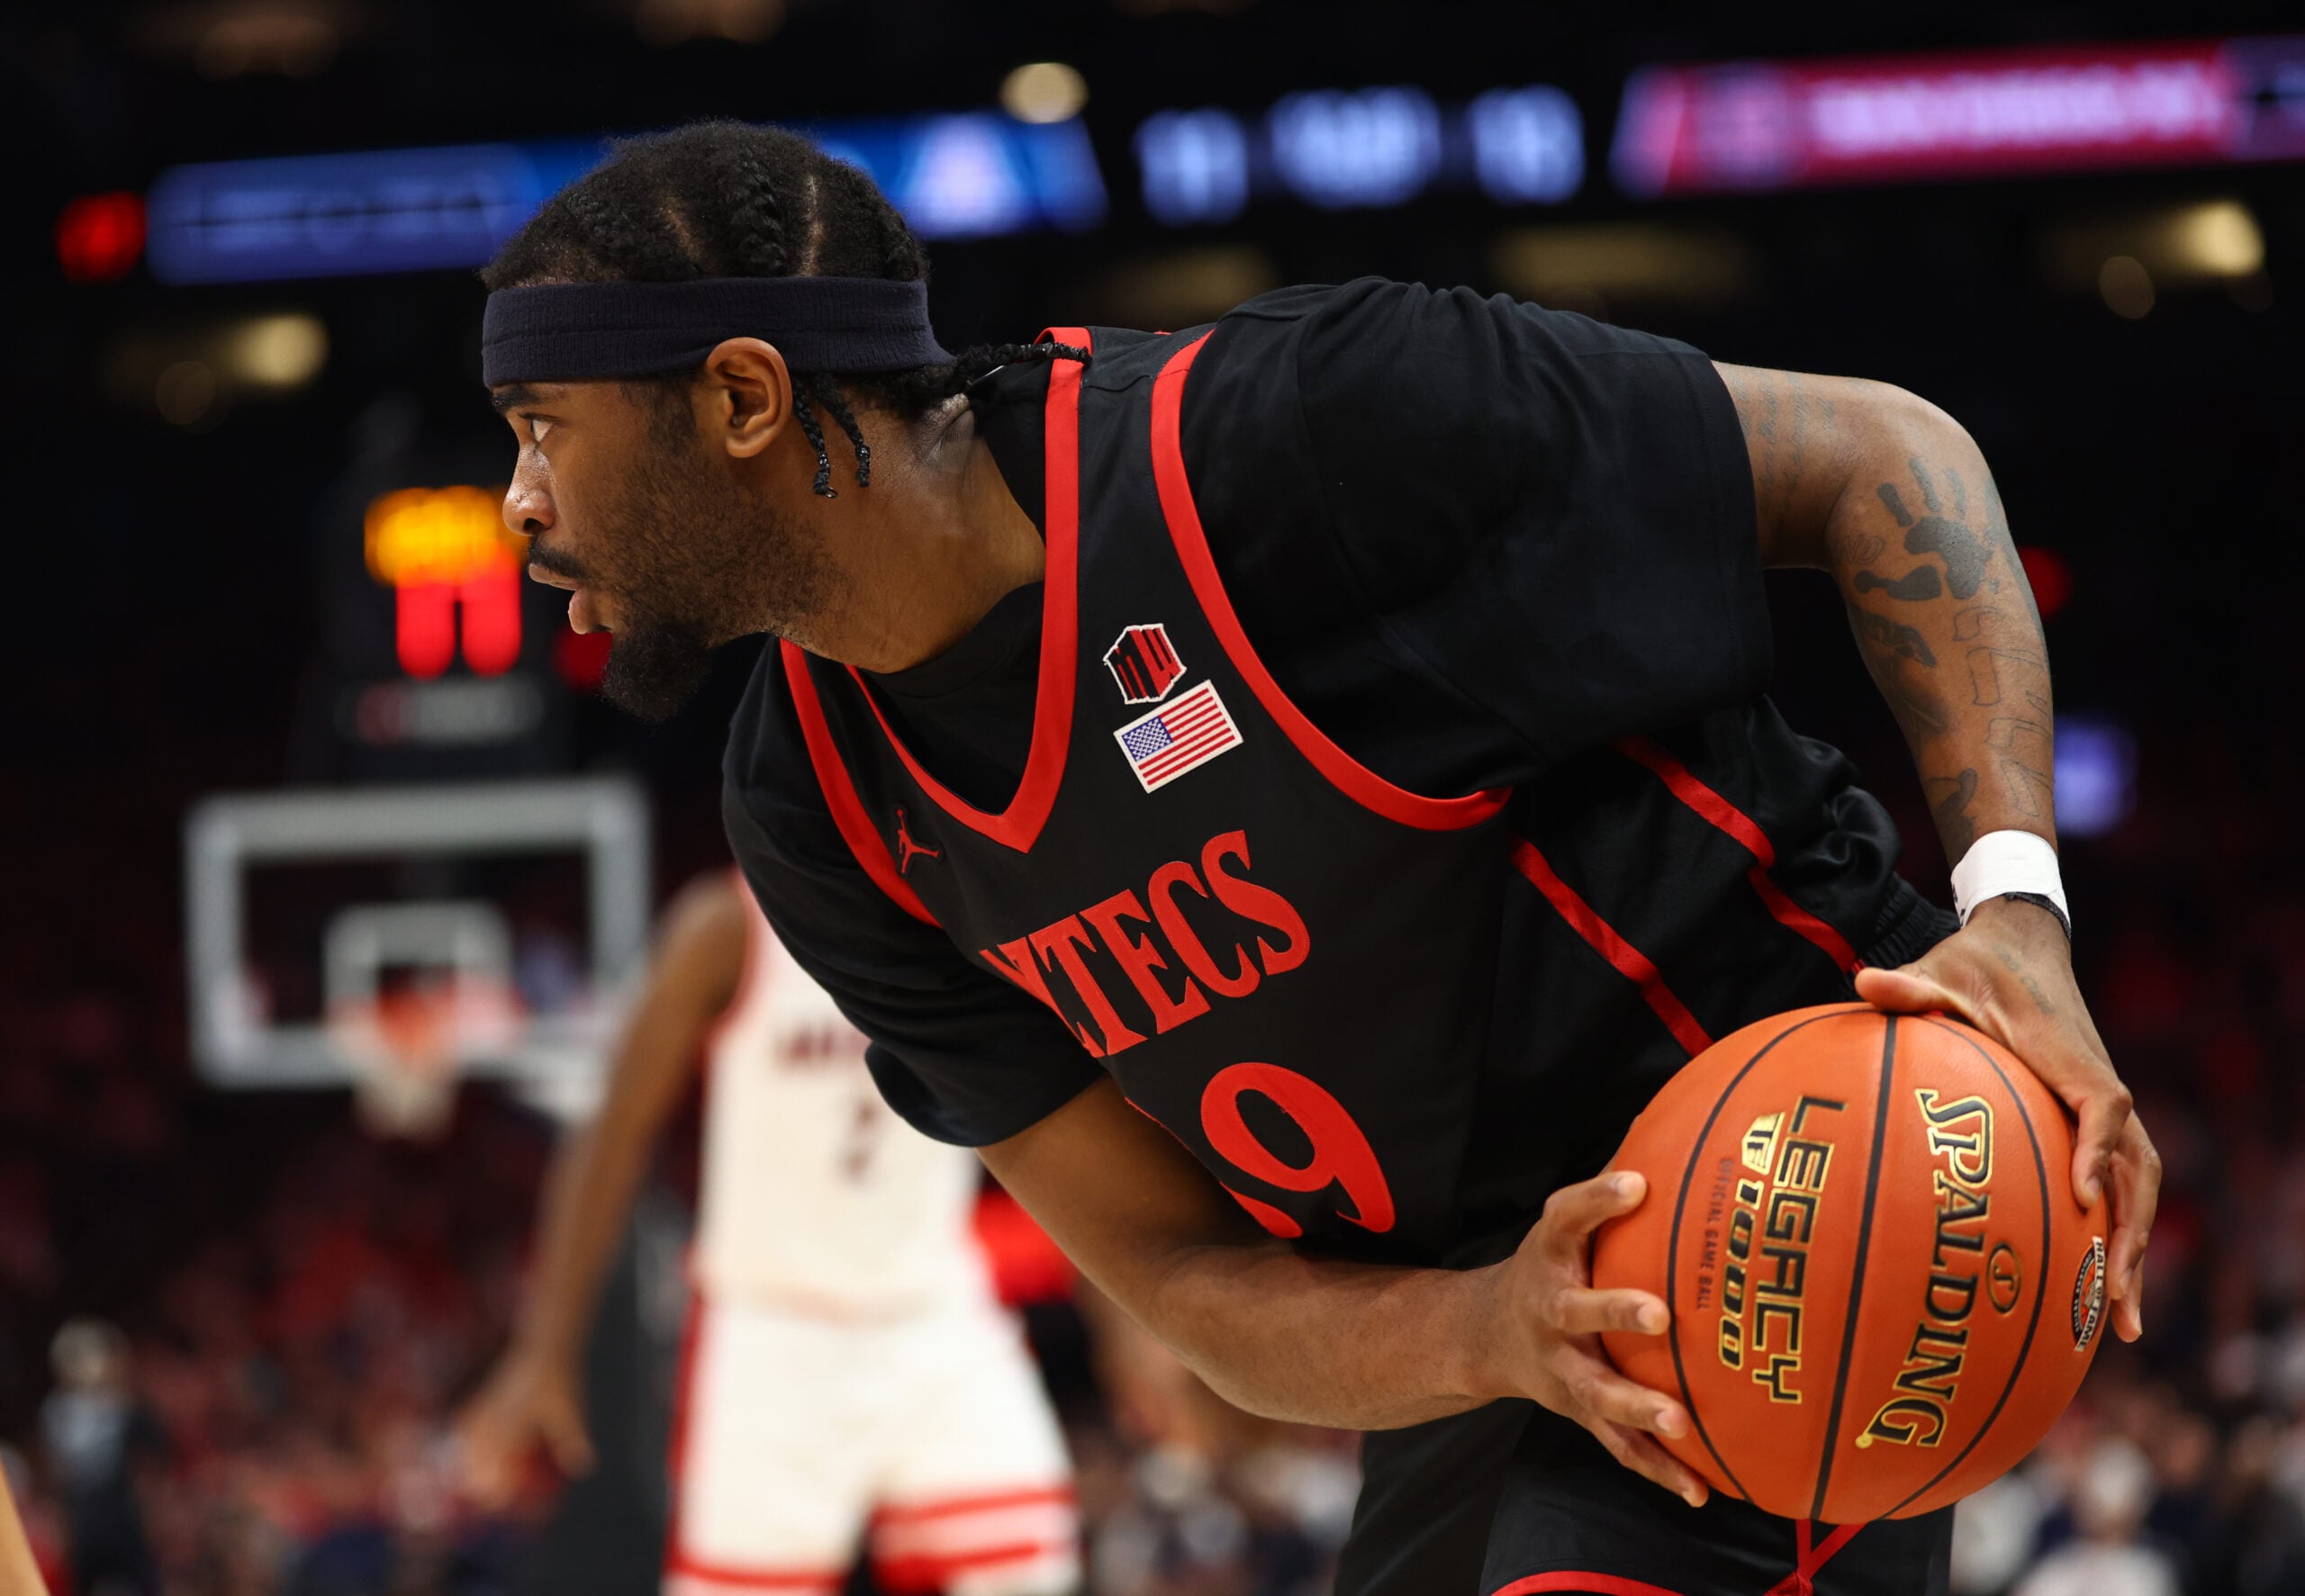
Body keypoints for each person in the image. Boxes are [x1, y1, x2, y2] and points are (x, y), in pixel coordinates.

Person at [475, 121, 2160, 1596]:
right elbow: (1178, 1272)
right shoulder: (816, 808)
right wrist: (1487, 1327)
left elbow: (1883, 455)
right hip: (1493, 1325)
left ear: (746, 397)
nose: (520, 504)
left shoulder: (1287, 437)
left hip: (1784, 1178)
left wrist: (2014, 904)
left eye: (547, 425)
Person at [457, 870, 1080, 1596]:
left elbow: (1068, 1104)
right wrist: (545, 1345)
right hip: (771, 1331)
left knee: (1032, 1572)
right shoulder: (727, 926)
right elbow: (612, 1134)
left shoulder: (974, 902)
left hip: (935, 1310)